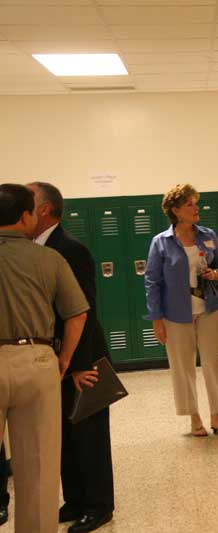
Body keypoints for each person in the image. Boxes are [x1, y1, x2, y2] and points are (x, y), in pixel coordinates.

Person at [0, 183, 88, 532]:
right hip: (36, 360)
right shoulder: (50, 258)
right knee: (38, 467)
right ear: (26, 216)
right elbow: (77, 313)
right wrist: (63, 359)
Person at [28, 182, 115, 533]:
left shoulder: (70, 248)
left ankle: (98, 506)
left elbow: (84, 309)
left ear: (45, 209)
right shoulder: (38, 247)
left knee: (89, 435)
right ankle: (76, 499)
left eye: (28, 202)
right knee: (65, 431)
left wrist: (78, 364)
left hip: (83, 358)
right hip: (59, 359)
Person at [144, 184, 218, 438]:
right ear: (175, 211)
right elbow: (152, 281)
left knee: (213, 363)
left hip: (208, 308)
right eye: (190, 205)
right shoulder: (160, 243)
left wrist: (216, 273)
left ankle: (216, 417)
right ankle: (194, 417)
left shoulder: (208, 235)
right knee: (182, 365)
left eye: (196, 203)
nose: (197, 209)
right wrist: (156, 319)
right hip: (175, 313)